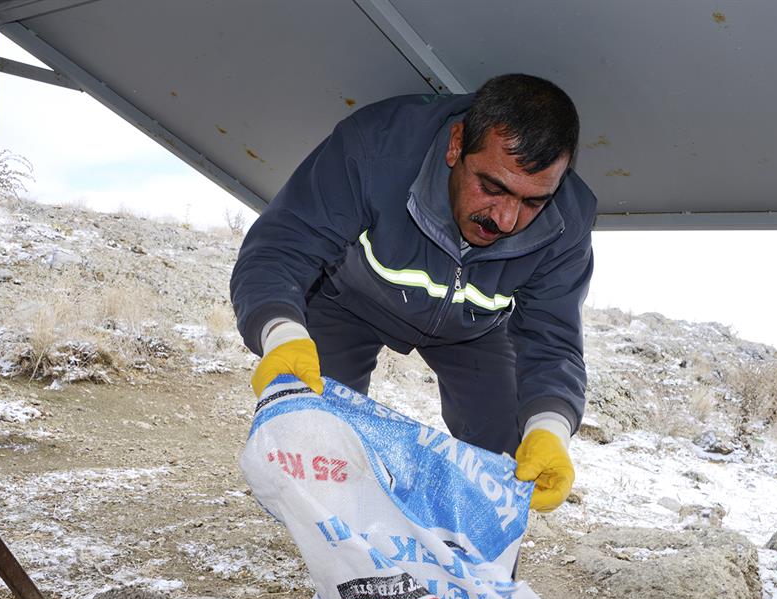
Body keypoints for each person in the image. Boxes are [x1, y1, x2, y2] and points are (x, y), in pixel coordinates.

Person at [230, 74, 596, 512]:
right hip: (348, 301)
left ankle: (474, 578)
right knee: (314, 446)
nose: (505, 218)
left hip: (473, 330)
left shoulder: (568, 222)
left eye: (532, 202)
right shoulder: (374, 146)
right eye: (492, 187)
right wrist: (281, 335)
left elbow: (552, 341)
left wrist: (550, 428)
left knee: (508, 462)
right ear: (456, 144)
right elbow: (282, 248)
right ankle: (352, 570)